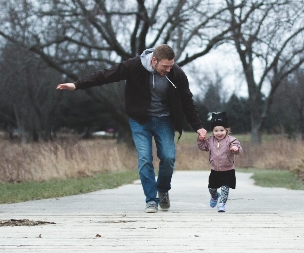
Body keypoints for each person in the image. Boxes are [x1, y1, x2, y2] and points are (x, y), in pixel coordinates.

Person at [56, 45, 207, 213]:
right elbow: (106, 75)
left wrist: (198, 127)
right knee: (145, 159)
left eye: (171, 66)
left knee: (168, 157)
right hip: (140, 120)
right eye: (165, 66)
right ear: (154, 60)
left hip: (164, 119)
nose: (168, 70)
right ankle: (151, 200)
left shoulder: (176, 73)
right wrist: (77, 85)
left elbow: (187, 100)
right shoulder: (134, 66)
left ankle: (163, 189)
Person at [197, 112, 242, 212]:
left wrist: (235, 148)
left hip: (228, 170)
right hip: (215, 170)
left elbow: (238, 148)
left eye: (222, 130)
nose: (219, 133)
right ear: (212, 131)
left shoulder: (231, 140)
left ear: (226, 130)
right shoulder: (210, 141)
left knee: (225, 189)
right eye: (216, 130)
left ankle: (222, 204)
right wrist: (200, 140)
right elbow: (202, 147)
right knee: (212, 188)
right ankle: (214, 196)